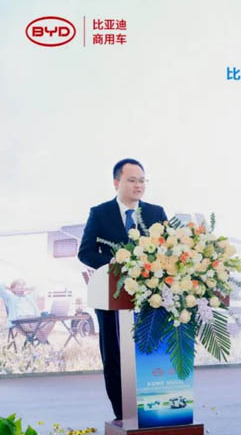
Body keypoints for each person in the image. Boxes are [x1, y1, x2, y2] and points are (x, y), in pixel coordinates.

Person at [78, 158, 167, 421]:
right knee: (114, 355)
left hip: (150, 298)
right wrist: (118, 264)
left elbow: (169, 249)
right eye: (132, 180)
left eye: (142, 180)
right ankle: (123, 413)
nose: (139, 185)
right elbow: (85, 252)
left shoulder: (156, 212)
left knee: (148, 351)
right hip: (111, 296)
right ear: (117, 183)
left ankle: (153, 409)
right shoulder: (100, 213)